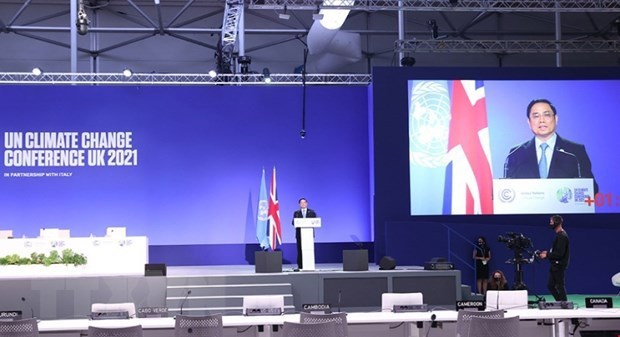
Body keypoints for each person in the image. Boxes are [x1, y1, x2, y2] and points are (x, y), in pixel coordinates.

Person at [503, 98, 598, 194]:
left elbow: (591, 189)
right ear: (529, 122)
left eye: (547, 115)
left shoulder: (575, 152)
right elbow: (509, 190)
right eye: (536, 116)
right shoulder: (517, 153)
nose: (542, 120)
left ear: (556, 119)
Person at [539, 214, 570, 301]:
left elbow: (560, 254)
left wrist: (547, 255)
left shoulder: (562, 236)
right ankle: (560, 302)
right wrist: (548, 253)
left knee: (560, 286)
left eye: (551, 222)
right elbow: (556, 251)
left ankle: (564, 304)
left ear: (557, 222)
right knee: (551, 285)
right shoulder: (559, 235)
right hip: (555, 265)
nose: (550, 224)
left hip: (559, 265)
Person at [291, 198, 317, 271]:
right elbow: (293, 223)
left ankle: (310, 266)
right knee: (300, 250)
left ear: (307, 203)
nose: (303, 204)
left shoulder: (312, 212)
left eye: (304, 202)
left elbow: (315, 221)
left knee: (309, 250)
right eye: (301, 203)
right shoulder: (296, 213)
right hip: (299, 234)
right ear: (299, 204)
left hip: (309, 235)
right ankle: (300, 266)